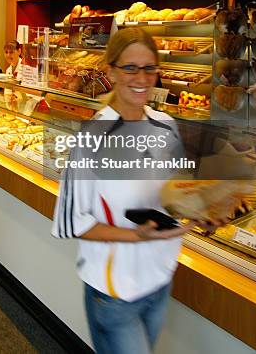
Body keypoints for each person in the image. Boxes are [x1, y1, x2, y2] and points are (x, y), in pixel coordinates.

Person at [52, 27, 195, 354]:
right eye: (130, 67)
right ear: (111, 71)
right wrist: (137, 237)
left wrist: (205, 210)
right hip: (115, 292)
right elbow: (73, 222)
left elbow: (177, 192)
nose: (141, 78)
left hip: (160, 280)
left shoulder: (165, 125)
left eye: (149, 68)